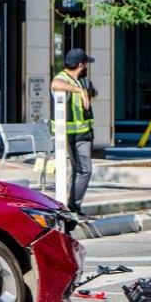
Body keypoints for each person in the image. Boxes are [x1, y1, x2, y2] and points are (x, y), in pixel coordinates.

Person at [50, 48, 96, 221]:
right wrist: (80, 92)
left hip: (83, 133)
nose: (87, 68)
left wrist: (87, 91)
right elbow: (55, 85)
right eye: (86, 65)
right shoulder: (64, 78)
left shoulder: (80, 81)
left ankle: (73, 207)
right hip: (72, 135)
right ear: (80, 65)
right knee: (84, 170)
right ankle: (73, 208)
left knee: (80, 171)